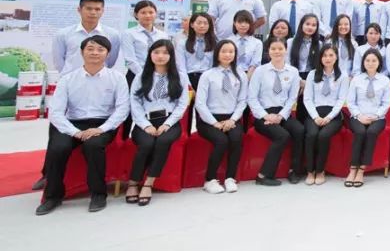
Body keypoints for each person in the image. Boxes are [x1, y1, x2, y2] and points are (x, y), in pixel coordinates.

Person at [36, 35, 129, 215]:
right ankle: (53, 196)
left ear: (108, 54)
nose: (95, 53)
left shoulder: (117, 78)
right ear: (82, 52)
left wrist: (101, 129)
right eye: (90, 49)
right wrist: (74, 132)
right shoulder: (68, 79)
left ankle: (98, 194)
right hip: (72, 123)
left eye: (100, 50)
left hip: (102, 123)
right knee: (58, 148)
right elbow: (56, 112)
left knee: (93, 146)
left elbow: (122, 109)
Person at [126, 39, 190, 206]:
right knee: (146, 144)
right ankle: (133, 182)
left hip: (169, 121)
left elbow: (182, 104)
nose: (160, 56)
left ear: (171, 55)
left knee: (163, 141)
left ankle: (148, 183)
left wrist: (167, 124)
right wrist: (145, 125)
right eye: (156, 52)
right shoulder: (141, 76)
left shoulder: (180, 77)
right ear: (150, 55)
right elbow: (134, 103)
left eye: (165, 53)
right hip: (145, 121)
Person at [193, 39, 248, 195]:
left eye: (231, 51)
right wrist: (214, 123)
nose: (227, 55)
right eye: (224, 51)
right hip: (209, 119)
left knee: (236, 138)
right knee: (221, 140)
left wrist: (233, 120)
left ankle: (230, 178)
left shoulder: (240, 74)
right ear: (217, 53)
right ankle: (210, 180)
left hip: (231, 118)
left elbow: (242, 101)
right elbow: (200, 103)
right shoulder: (207, 75)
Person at [248, 38, 303, 186]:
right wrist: (266, 116)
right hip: (263, 114)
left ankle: (294, 170)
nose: (277, 52)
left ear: (286, 50)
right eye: (273, 49)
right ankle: (263, 175)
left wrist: (281, 116)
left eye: (280, 48)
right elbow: (252, 98)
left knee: (299, 130)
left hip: (283, 113)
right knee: (282, 136)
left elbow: (292, 98)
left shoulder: (293, 72)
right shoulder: (260, 71)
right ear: (268, 51)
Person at [345, 48, 390, 187]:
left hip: (378, 118)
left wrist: (375, 116)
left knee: (371, 132)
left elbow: (386, 103)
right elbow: (350, 102)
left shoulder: (385, 80)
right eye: (367, 60)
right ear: (363, 62)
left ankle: (361, 170)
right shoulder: (357, 80)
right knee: (360, 132)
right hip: (357, 116)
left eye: (374, 60)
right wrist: (359, 116)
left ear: (379, 63)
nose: (370, 63)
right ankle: (352, 169)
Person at [302, 46, 348, 186]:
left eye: (331, 55)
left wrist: (329, 117)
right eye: (324, 55)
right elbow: (307, 98)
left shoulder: (342, 76)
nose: (328, 58)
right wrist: (315, 117)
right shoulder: (312, 74)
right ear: (320, 58)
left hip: (333, 115)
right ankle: (310, 171)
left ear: (336, 57)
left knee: (323, 136)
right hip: (314, 113)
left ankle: (320, 170)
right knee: (311, 135)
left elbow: (341, 100)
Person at [52, 0, 121, 74]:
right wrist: (69, 77)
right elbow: (58, 62)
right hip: (71, 79)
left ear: (102, 11)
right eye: (89, 9)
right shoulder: (63, 34)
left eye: (97, 9)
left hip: (100, 79)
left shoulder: (112, 34)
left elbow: (110, 62)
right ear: (79, 10)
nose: (93, 12)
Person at [120, 0, 169, 79]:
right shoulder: (129, 34)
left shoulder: (163, 35)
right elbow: (130, 59)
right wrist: (144, 75)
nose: (147, 15)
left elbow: (166, 56)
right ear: (136, 15)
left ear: (156, 14)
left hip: (158, 75)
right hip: (136, 75)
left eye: (151, 12)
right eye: (143, 13)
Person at [175, 12, 216, 90]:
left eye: (205, 23)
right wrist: (187, 85)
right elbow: (181, 67)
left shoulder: (215, 44)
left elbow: (213, 66)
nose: (202, 26)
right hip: (189, 78)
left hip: (208, 79)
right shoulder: (182, 43)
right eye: (199, 23)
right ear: (192, 25)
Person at [286, 13, 323, 80]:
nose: (310, 27)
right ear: (301, 25)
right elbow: (287, 62)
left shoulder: (319, 44)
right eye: (307, 24)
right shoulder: (290, 42)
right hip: (293, 76)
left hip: (312, 77)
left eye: (314, 25)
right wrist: (299, 80)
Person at [229, 10, 262, 78]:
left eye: (246, 22)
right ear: (234, 23)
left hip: (250, 75)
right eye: (240, 22)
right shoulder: (228, 41)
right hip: (231, 74)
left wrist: (246, 80)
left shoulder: (257, 43)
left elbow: (255, 64)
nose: (243, 25)